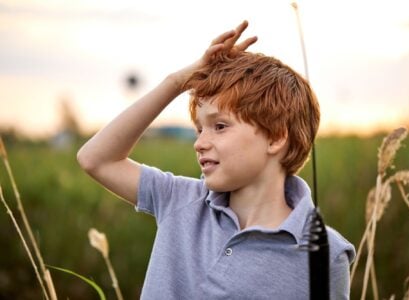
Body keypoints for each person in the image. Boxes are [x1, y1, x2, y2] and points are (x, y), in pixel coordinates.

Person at [77, 20, 355, 299]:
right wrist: (177, 81)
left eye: (220, 126)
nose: (199, 143)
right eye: (199, 129)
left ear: (275, 138)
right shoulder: (177, 199)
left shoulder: (327, 256)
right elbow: (96, 159)